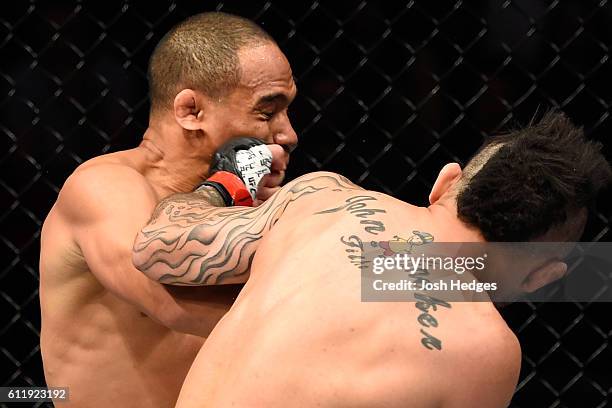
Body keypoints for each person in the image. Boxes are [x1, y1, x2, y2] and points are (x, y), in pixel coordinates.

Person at [133, 111, 611, 407]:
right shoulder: (488, 349)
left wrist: (226, 184)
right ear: (542, 277)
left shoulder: (319, 197)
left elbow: (156, 247)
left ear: (445, 183)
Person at [39, 12, 297, 407]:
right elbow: (167, 300)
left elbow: (342, 258)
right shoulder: (103, 187)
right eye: (266, 112)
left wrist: (416, 273)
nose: (288, 134)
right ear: (191, 111)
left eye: (286, 111)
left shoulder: (254, 201)